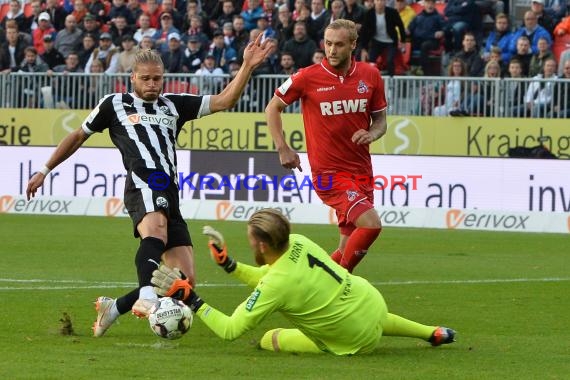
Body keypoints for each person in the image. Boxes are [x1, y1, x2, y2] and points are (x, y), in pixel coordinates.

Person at [26, 35, 272, 337]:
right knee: (154, 232)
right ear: (133, 78)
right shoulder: (114, 104)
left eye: (157, 78)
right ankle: (146, 296)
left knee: (184, 280)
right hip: (142, 182)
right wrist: (45, 169)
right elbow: (78, 135)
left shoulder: (174, 106)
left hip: (169, 189)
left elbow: (225, 100)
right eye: (146, 79)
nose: (152, 84)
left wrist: (247, 65)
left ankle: (114, 306)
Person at [143, 208, 456, 355]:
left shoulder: (277, 284)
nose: (250, 245)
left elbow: (229, 330)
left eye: (251, 241)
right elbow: (268, 275)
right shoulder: (299, 242)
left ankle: (304, 342)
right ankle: (434, 332)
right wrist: (229, 265)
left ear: (263, 245)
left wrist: (190, 298)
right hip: (370, 301)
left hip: (353, 340)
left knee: (269, 339)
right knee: (371, 315)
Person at [265, 19, 385, 273]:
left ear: (353, 44)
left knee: (345, 248)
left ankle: (313, 286)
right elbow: (272, 106)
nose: (332, 50)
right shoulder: (307, 77)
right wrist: (282, 147)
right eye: (328, 44)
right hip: (329, 175)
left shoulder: (370, 75)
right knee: (371, 225)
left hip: (362, 172)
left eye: (339, 45)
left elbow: (381, 121)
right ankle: (343, 288)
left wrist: (371, 133)